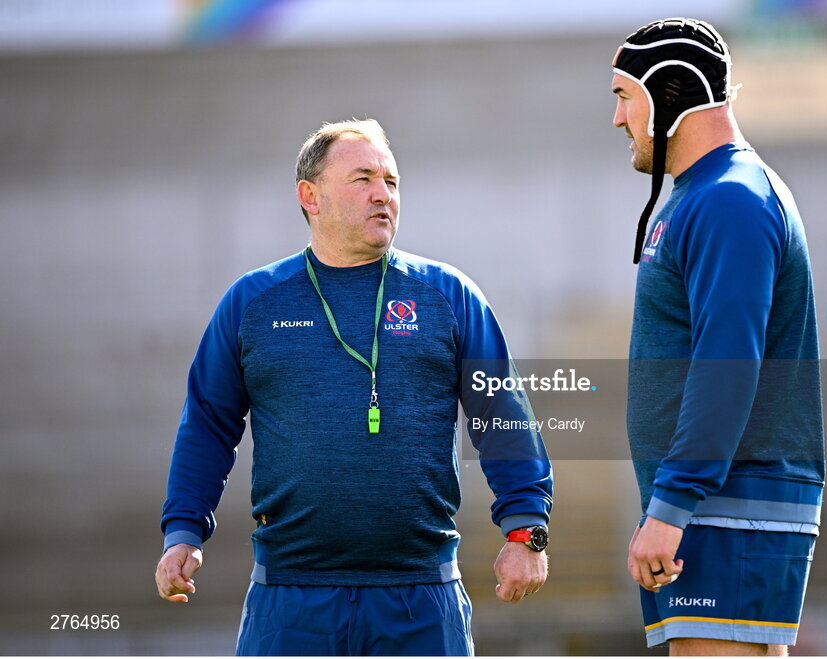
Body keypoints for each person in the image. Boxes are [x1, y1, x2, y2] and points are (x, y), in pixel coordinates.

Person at [154, 119, 553, 656]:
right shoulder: (253, 302)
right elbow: (206, 425)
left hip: (421, 597)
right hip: (290, 601)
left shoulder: (448, 295)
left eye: (391, 181)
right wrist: (183, 532)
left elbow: (503, 416)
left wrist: (525, 530)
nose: (382, 194)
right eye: (362, 178)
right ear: (309, 196)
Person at [611, 18, 825, 656]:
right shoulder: (701, 195)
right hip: (714, 506)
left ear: (669, 92)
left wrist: (671, 506)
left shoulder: (730, 198)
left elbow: (727, 364)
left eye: (624, 96)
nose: (618, 119)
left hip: (727, 508)